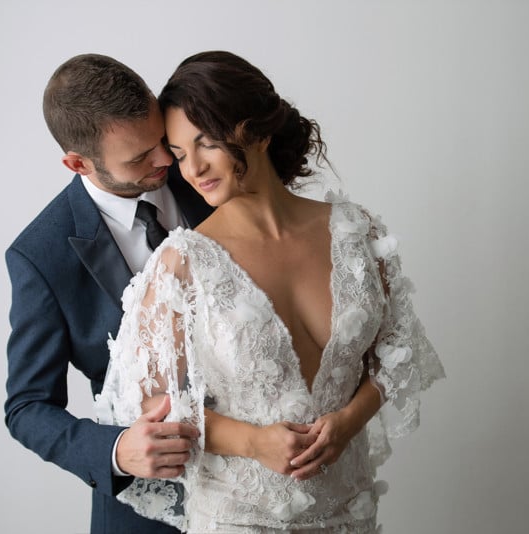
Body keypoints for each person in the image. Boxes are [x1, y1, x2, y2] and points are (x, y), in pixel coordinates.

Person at [96, 50, 446, 533]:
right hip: (239, 516)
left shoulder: (354, 232)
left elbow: (397, 351)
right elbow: (151, 410)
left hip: (349, 511)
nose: (193, 168)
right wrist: (252, 442)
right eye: (179, 154)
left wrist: (347, 422)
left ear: (256, 131)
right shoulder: (182, 264)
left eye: (206, 143)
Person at [4, 54, 214, 534]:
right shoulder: (40, 254)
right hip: (145, 511)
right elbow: (27, 407)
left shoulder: (206, 174)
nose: (166, 160)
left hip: (263, 487)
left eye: (161, 139)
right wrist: (117, 450)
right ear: (78, 163)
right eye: (140, 157)